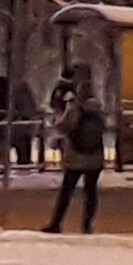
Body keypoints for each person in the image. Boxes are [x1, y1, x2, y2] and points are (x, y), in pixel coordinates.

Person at [42, 78, 106, 234]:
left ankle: (56, 223)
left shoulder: (75, 109)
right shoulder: (98, 110)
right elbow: (103, 129)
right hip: (95, 157)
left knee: (67, 191)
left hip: (76, 156)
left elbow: (64, 127)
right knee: (91, 192)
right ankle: (87, 225)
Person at [0, 76, 38, 165]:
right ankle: (2, 160)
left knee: (21, 141)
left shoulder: (13, 97)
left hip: (18, 129)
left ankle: (21, 160)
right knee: (3, 140)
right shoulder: (3, 98)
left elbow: (22, 114)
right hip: (7, 130)